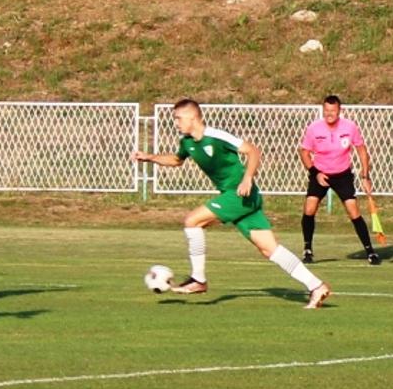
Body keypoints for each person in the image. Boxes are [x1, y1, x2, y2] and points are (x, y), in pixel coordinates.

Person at [133, 99, 331, 309]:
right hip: (238, 198)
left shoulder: (216, 136)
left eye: (178, 118)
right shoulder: (187, 142)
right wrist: (149, 157)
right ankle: (316, 286)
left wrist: (247, 178)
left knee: (192, 221)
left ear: (192, 117)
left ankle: (198, 279)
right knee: (270, 249)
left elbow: (253, 151)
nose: (175, 123)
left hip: (240, 194)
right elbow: (176, 160)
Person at [299, 95, 379, 265]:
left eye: (333, 111)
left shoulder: (350, 127)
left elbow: (362, 151)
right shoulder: (314, 128)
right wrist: (315, 173)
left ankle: (370, 252)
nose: (329, 114)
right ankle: (307, 249)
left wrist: (365, 176)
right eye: (326, 110)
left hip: (342, 174)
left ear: (339, 111)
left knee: (353, 211)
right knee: (309, 208)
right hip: (320, 173)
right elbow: (304, 152)